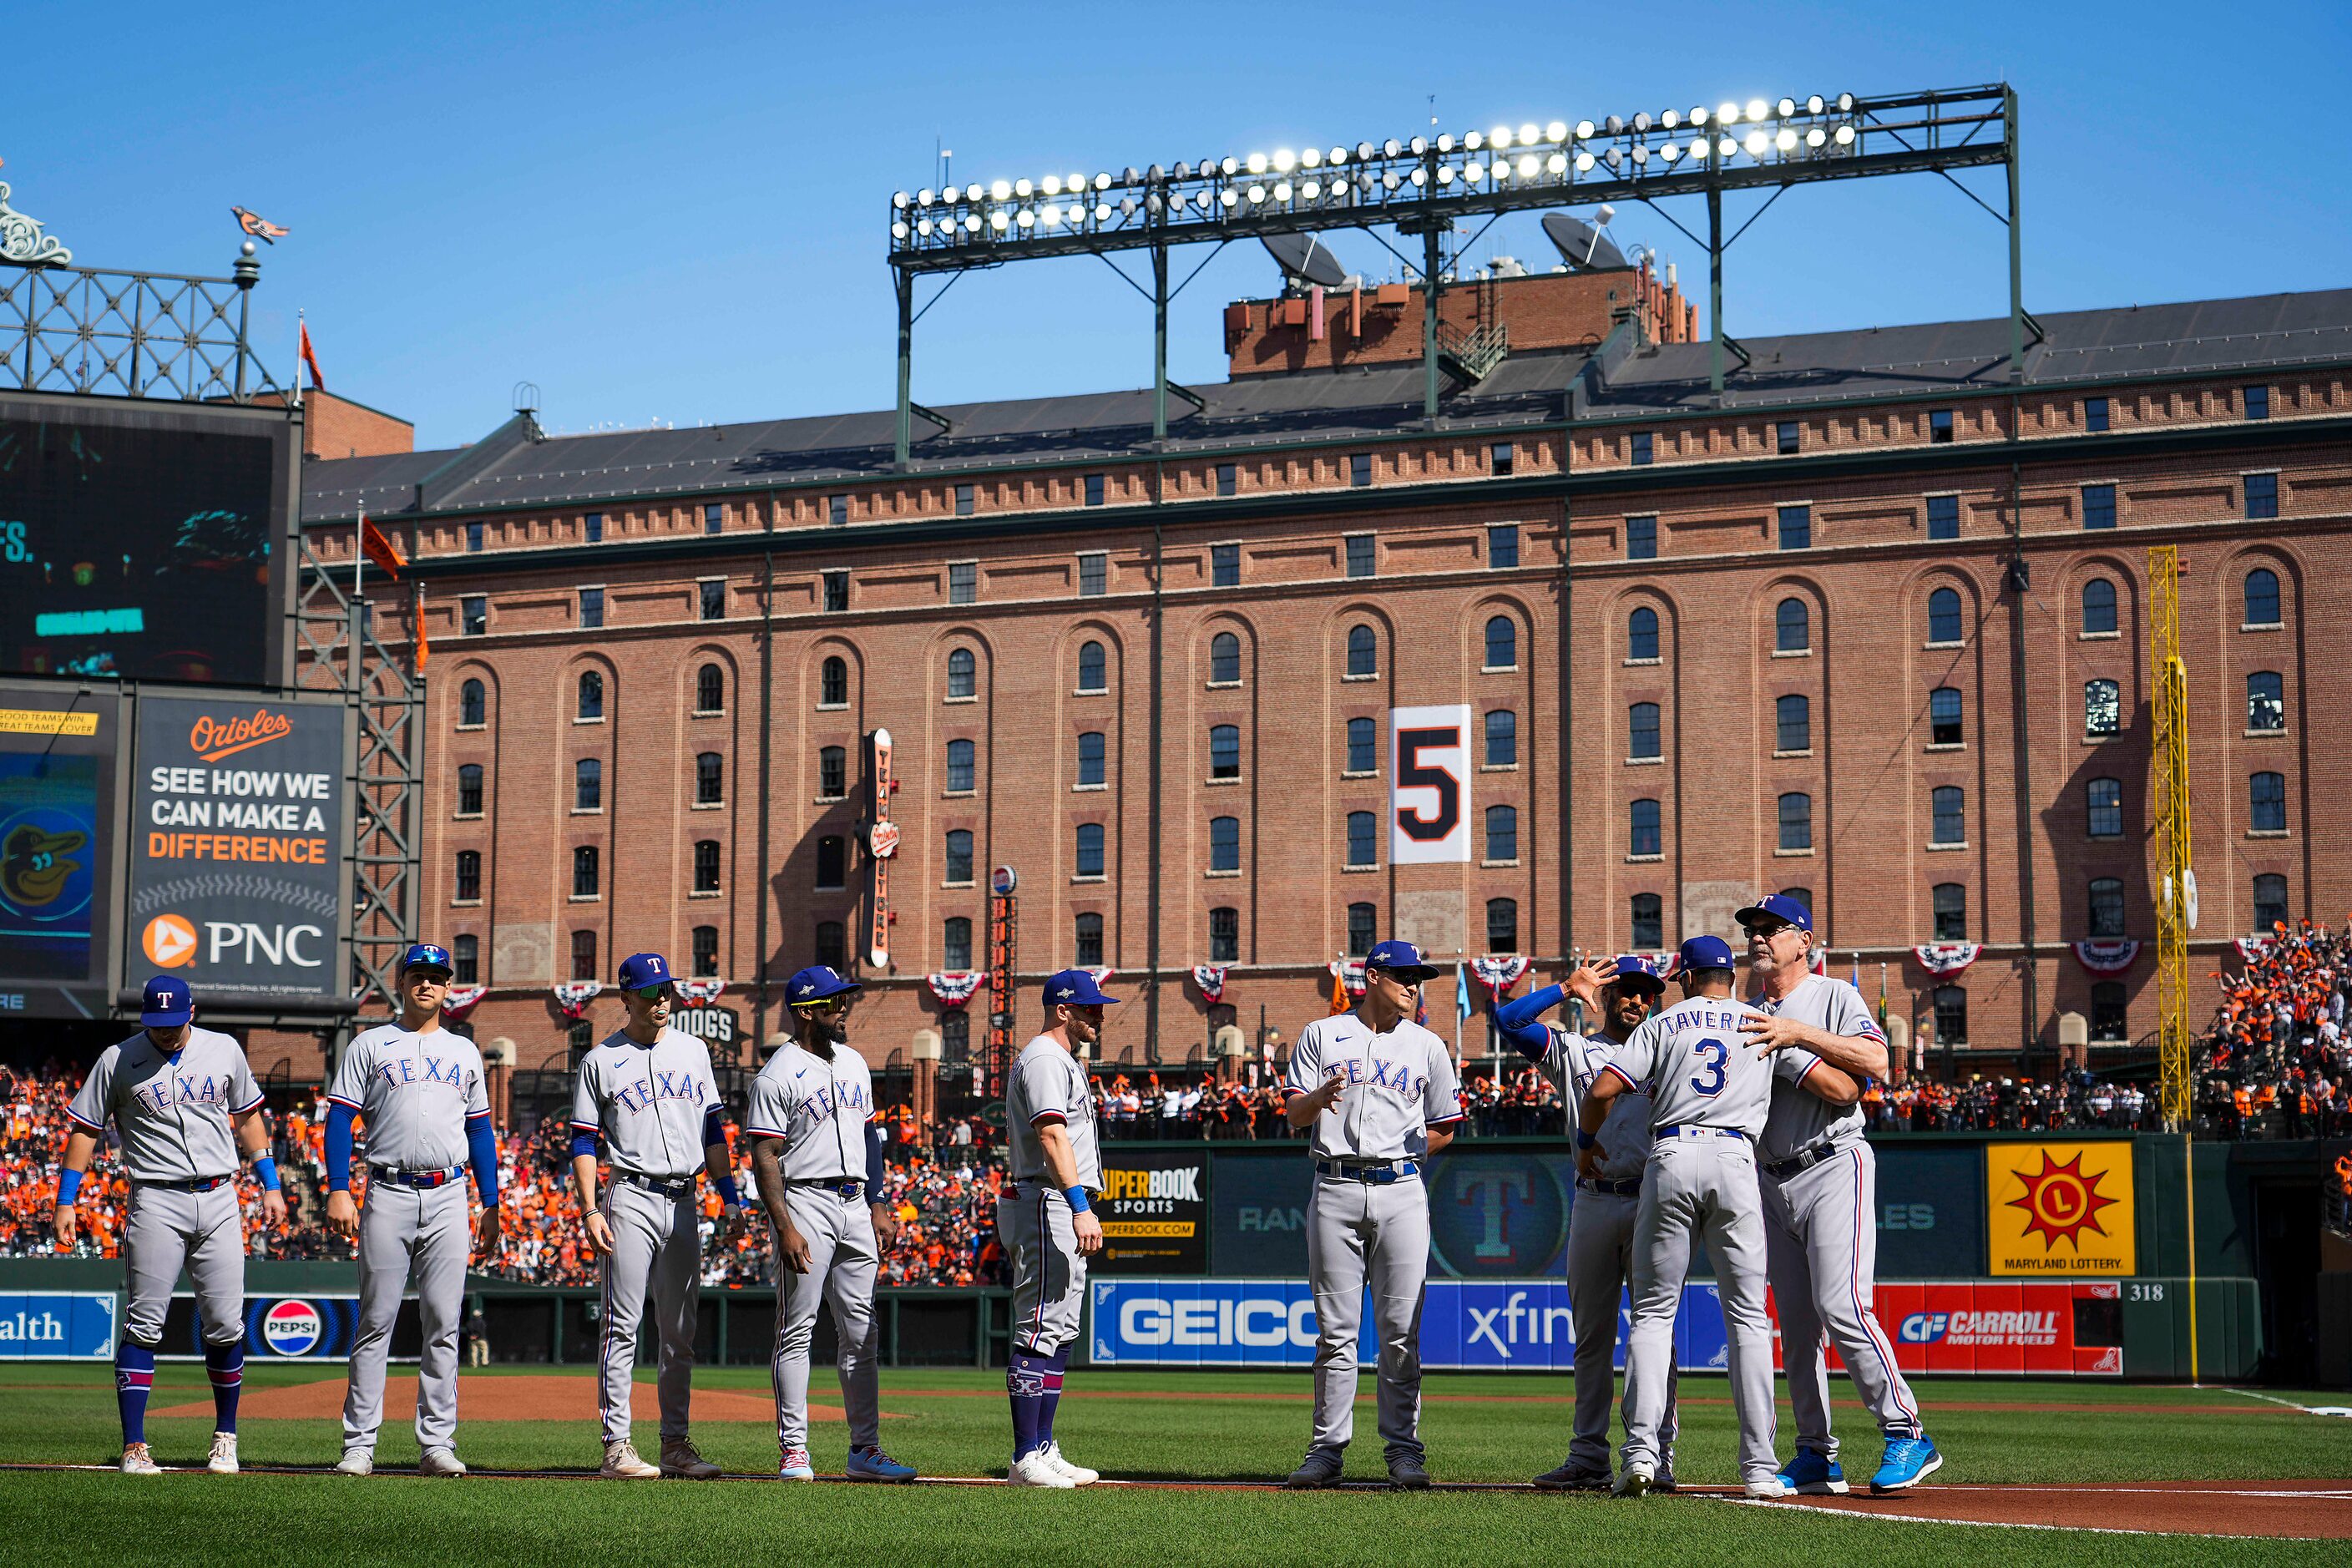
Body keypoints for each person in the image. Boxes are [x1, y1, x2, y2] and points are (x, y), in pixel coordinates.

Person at [1585, 935, 1857, 1500]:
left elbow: (1604, 1087)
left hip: (1671, 1154)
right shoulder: (1762, 1022)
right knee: (1748, 1320)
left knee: (1654, 1315)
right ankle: (1758, 1468)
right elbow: (1841, 1089)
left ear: (1684, 976)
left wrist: (1587, 1142)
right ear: (1731, 976)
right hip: (1735, 1158)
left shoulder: (1664, 1023)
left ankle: (1639, 1455)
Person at [1733, 893, 1941, 1495]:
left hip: (1830, 1161)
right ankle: (1816, 1453)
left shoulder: (1832, 996)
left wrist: (1795, 1034)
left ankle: (1906, 1431)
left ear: (1803, 939)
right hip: (1769, 1177)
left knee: (1842, 1306)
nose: (1757, 936)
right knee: (1796, 1328)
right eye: (1751, 928)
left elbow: (1872, 1065)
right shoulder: (1747, 1010)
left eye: (1770, 927)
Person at [54, 975, 286, 1475]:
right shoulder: (117, 1059)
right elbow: (84, 1130)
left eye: (173, 1022)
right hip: (156, 1198)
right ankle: (134, 1446)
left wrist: (269, 1183)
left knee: (225, 1324)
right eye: (155, 1024)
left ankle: (226, 1436)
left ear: (192, 1012)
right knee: (145, 1323)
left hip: (219, 1195)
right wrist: (65, 1201)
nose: (164, 1032)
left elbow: (248, 1119)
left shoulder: (223, 1050)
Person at [1280, 939, 1463, 1490]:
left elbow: (1446, 1125)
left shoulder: (1427, 1045)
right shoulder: (1321, 1033)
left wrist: (1399, 1155)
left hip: (1401, 1191)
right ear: (1373, 976)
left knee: (1399, 1333)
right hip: (1334, 1186)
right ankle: (1326, 1452)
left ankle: (1404, 1453)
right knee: (1336, 1334)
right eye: (1404, 975)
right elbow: (1292, 1114)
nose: (1413, 984)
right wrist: (1317, 1098)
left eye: (1418, 977)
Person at [1496, 954, 1680, 1493]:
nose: (1638, 1000)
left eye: (1648, 992)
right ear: (1606, 992)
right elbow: (1508, 1021)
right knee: (1592, 1336)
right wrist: (1563, 989)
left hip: (1654, 1196)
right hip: (1594, 1199)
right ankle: (1588, 1455)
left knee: (1655, 1332)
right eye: (1626, 989)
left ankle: (1658, 1453)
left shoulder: (1666, 1051)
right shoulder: (1577, 1050)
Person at [325, 943, 501, 1477]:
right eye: (417, 975)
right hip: (388, 1190)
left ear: (449, 988)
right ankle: (359, 1444)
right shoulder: (369, 1045)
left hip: (450, 1194)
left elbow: (480, 1131)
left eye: (437, 977)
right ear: (401, 983)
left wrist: (491, 1201)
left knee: (445, 1321)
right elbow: (338, 1122)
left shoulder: (465, 1051)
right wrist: (337, 1188)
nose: (427, 984)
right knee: (376, 1319)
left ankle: (437, 1444)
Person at [569, 952, 743, 1479]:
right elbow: (582, 1140)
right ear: (627, 998)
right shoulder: (600, 1059)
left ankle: (674, 1443)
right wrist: (588, 1208)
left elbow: (714, 1131)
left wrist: (730, 1195)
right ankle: (616, 1447)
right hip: (631, 1196)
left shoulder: (693, 1051)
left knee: (680, 1331)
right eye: (650, 991)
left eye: (666, 988)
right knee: (622, 1326)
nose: (662, 998)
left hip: (686, 1199)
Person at [745, 964, 916, 1482]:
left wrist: (879, 1201)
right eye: (832, 1002)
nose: (842, 1008)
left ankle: (865, 1449)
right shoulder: (778, 1073)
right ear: (804, 1011)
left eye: (843, 1000)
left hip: (855, 1203)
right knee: (797, 1330)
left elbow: (870, 1138)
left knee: (862, 1330)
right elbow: (765, 1155)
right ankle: (794, 1449)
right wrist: (784, 1225)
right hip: (806, 1201)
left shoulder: (856, 1063)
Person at [998, 969, 1116, 1488]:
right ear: (1063, 1010)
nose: (1100, 1015)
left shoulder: (1064, 1059)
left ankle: (1043, 1446)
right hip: (1046, 1199)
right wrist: (1078, 1204)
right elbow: (1050, 1136)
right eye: (1090, 1007)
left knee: (1061, 1330)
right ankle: (1026, 1456)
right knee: (1040, 1325)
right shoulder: (1046, 1058)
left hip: (1057, 1200)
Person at [464, 1302, 490, 1368]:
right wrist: (477, 1336)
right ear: (479, 1315)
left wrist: (471, 1336)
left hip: (472, 1339)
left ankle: (474, 1365)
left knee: (474, 1352)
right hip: (481, 1338)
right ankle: (484, 1362)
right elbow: (482, 1330)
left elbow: (468, 1330)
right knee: (484, 1350)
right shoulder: (482, 1322)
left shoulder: (469, 1322)